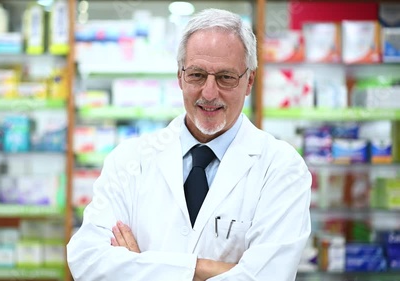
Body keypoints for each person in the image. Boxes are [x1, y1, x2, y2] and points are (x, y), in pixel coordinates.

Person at [67, 8, 311, 281]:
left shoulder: (281, 168)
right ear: (180, 77)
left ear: (249, 81)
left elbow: (269, 278)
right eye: (196, 75)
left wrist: (139, 265)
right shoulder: (128, 160)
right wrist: (207, 269)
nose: (209, 93)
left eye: (225, 77)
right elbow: (87, 262)